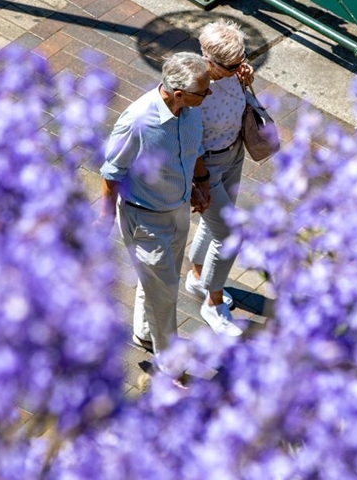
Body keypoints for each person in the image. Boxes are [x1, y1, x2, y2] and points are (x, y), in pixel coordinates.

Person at [98, 52, 212, 359]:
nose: (209, 94)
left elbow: (193, 148)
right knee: (165, 298)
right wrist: (104, 220)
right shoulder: (137, 121)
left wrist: (199, 183)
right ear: (179, 93)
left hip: (178, 210)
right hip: (146, 221)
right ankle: (169, 361)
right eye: (204, 91)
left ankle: (145, 334)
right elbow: (111, 173)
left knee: (162, 282)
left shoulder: (190, 110)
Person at [185, 20, 256, 337]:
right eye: (232, 65)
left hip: (234, 152)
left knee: (214, 226)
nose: (239, 67)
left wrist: (245, 73)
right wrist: (199, 182)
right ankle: (212, 303)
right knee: (230, 234)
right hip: (207, 168)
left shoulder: (233, 70)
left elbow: (238, 78)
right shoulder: (192, 86)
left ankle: (198, 276)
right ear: (209, 61)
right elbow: (189, 141)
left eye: (242, 59)